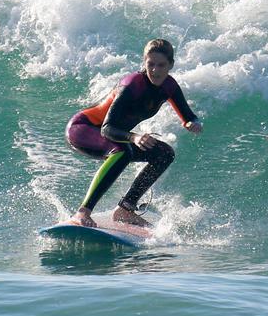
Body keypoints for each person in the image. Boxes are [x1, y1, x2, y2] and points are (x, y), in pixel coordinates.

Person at [65, 38, 202, 228]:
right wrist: (134, 137)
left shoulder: (169, 86)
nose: (155, 70)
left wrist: (192, 123)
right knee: (123, 151)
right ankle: (82, 212)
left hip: (114, 136)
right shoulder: (132, 85)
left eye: (161, 65)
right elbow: (107, 128)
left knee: (164, 154)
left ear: (171, 65)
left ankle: (125, 209)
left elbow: (188, 116)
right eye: (150, 64)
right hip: (83, 128)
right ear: (144, 62)